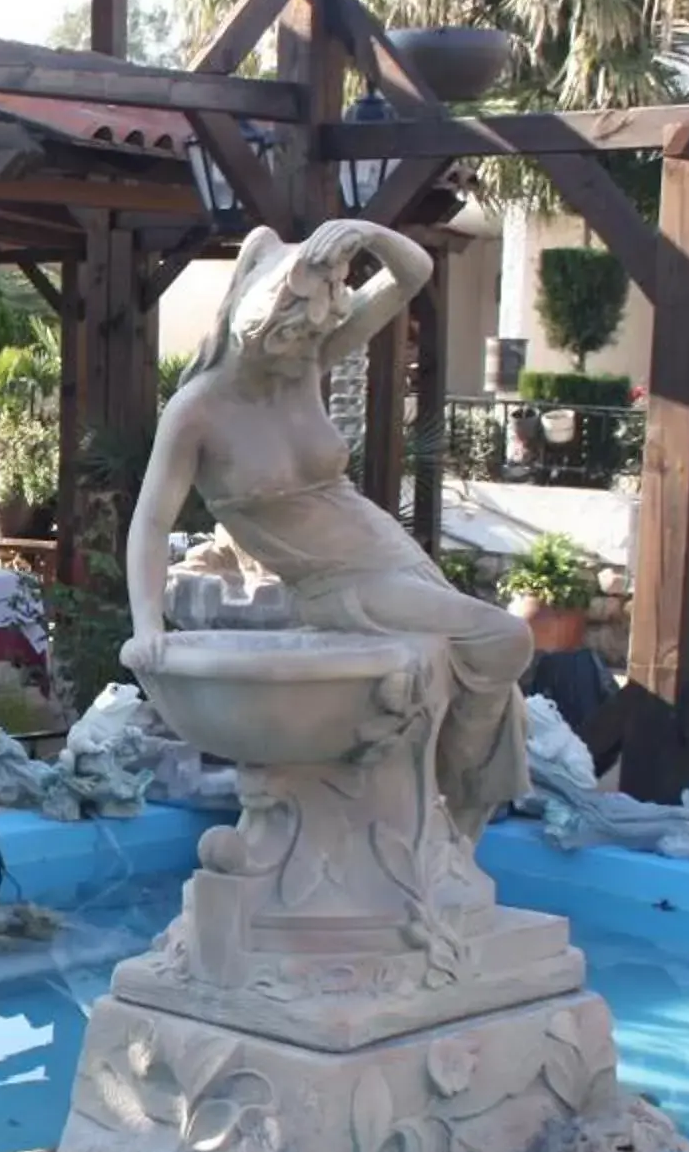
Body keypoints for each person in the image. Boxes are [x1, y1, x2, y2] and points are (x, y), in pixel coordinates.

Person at [122, 219, 532, 829]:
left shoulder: (308, 365)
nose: (310, 346)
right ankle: (455, 812)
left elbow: (412, 273)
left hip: (388, 553)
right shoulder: (197, 412)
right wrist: (147, 625)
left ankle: (447, 819)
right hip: (336, 585)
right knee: (506, 639)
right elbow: (152, 522)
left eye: (316, 332)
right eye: (296, 336)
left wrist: (365, 233)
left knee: (468, 664)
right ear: (260, 328)